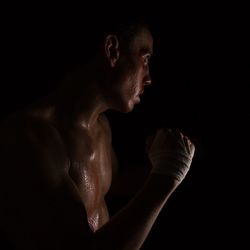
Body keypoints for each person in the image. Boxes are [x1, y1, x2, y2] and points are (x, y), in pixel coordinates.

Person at [0, 15, 195, 250]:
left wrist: (176, 163)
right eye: (145, 59)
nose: (149, 78)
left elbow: (103, 188)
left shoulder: (101, 127)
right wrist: (166, 175)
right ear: (112, 50)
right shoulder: (30, 138)